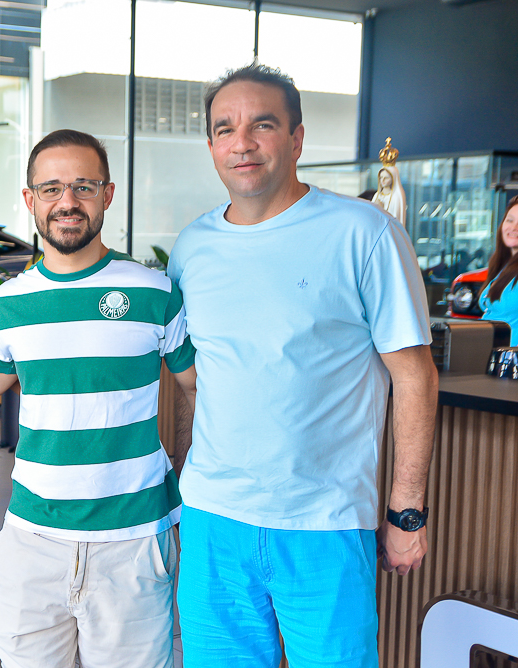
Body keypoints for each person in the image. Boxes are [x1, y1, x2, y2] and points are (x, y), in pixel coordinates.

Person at [166, 64, 438, 667]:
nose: (242, 143)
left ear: (296, 139)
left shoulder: (365, 233)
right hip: (213, 521)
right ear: (211, 146)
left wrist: (407, 510)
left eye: (262, 125)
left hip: (324, 524)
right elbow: (196, 380)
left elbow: (415, 375)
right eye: (225, 129)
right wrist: (183, 480)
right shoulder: (192, 248)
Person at [0, 129, 196, 668]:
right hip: (32, 540)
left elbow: (196, 388)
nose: (67, 201)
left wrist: (192, 472)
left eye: (84, 186)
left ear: (107, 194)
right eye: (51, 189)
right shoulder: (11, 303)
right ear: (30, 200)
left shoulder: (154, 291)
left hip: (134, 541)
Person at [479, 195, 518, 345]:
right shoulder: (502, 267)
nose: (514, 227)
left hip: (511, 356)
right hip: (489, 353)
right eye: (510, 220)